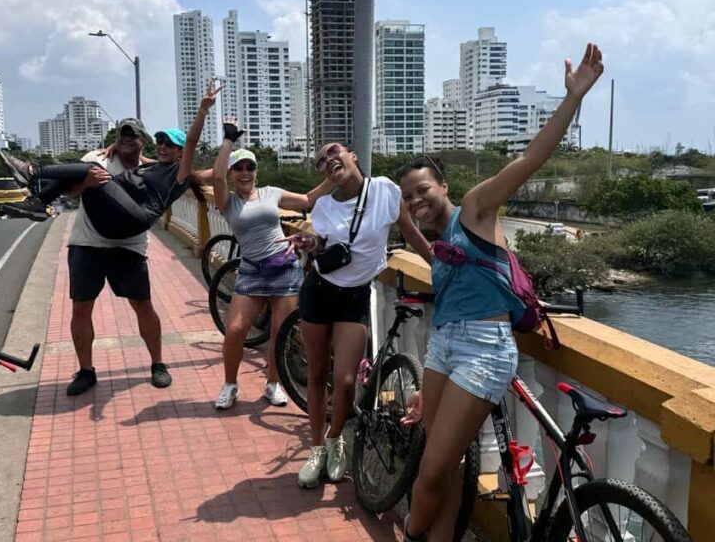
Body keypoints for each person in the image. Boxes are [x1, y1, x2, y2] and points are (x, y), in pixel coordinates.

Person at [397, 43, 604, 541]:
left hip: (483, 349)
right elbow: (426, 253)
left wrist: (573, 97)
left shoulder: (475, 210)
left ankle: (411, 532)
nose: (416, 200)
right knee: (442, 469)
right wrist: (395, 210)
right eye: (408, 196)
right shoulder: (444, 247)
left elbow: (531, 158)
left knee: (429, 472)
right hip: (444, 345)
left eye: (422, 190)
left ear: (443, 185)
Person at [36, 83, 220, 396]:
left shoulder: (154, 168)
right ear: (115, 139)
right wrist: (86, 184)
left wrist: (208, 119)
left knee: (142, 305)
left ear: (140, 142)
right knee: (81, 307)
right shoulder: (97, 158)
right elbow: (69, 191)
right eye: (122, 134)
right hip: (88, 242)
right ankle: (86, 370)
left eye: (133, 135)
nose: (126, 139)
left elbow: (191, 154)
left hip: (129, 245)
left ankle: (158, 363)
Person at [282, 142, 432, 490]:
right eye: (320, 161)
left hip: (354, 297)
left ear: (352, 153)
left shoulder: (385, 191)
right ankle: (317, 448)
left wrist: (443, 269)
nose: (328, 160)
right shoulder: (322, 206)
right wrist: (310, 244)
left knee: (346, 379)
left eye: (333, 152)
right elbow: (321, 244)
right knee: (317, 372)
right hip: (318, 292)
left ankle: (337, 439)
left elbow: (412, 235)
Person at [211, 120, 335, 410]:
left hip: (285, 268)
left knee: (281, 332)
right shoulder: (227, 202)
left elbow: (307, 201)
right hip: (252, 270)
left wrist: (333, 177)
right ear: (231, 173)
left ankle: (273, 384)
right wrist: (228, 139)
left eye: (249, 168)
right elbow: (216, 178)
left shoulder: (271, 192)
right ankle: (230, 385)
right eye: (238, 168)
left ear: (256, 171)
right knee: (236, 329)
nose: (245, 173)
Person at [0, 82, 224, 238]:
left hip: (137, 218)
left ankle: (31, 171)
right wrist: (116, 144)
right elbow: (133, 150)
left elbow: (193, 142)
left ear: (181, 152)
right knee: (85, 172)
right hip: (112, 221)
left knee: (94, 169)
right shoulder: (152, 165)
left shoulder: (179, 174)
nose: (163, 147)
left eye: (170, 145)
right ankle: (38, 202)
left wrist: (203, 110)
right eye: (161, 142)